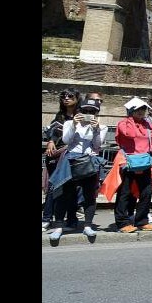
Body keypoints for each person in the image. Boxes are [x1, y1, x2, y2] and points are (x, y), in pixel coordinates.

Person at [47, 97, 105, 241]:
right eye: (85, 110)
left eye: (92, 111)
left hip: (89, 160)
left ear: (96, 113)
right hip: (70, 159)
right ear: (79, 110)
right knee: (64, 193)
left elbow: (97, 145)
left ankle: (87, 226)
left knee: (89, 195)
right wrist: (73, 124)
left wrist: (96, 130)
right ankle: (59, 226)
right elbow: (67, 140)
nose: (88, 113)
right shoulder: (69, 123)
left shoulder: (101, 127)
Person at [108, 97, 152, 233]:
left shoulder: (148, 125)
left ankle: (142, 221)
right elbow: (128, 134)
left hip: (144, 162)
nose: (142, 112)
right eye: (138, 109)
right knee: (124, 193)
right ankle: (122, 222)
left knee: (146, 192)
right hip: (128, 162)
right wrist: (130, 119)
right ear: (131, 110)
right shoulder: (123, 123)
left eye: (144, 109)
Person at [43, 88, 81, 230]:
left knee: (72, 189)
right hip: (57, 156)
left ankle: (72, 219)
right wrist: (51, 141)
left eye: (70, 96)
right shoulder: (59, 116)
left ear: (77, 98)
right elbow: (53, 133)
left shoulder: (82, 116)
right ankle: (46, 218)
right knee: (53, 187)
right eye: (63, 95)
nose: (66, 98)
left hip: (74, 156)